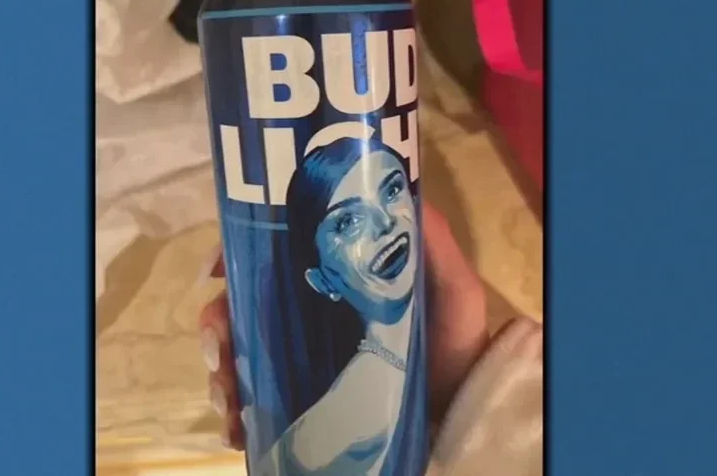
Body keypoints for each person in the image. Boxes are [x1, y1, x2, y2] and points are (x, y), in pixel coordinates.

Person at [200, 177, 543, 475]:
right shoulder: (319, 445)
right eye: (349, 221)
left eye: (392, 190)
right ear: (321, 276)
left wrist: (474, 391)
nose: (384, 223)